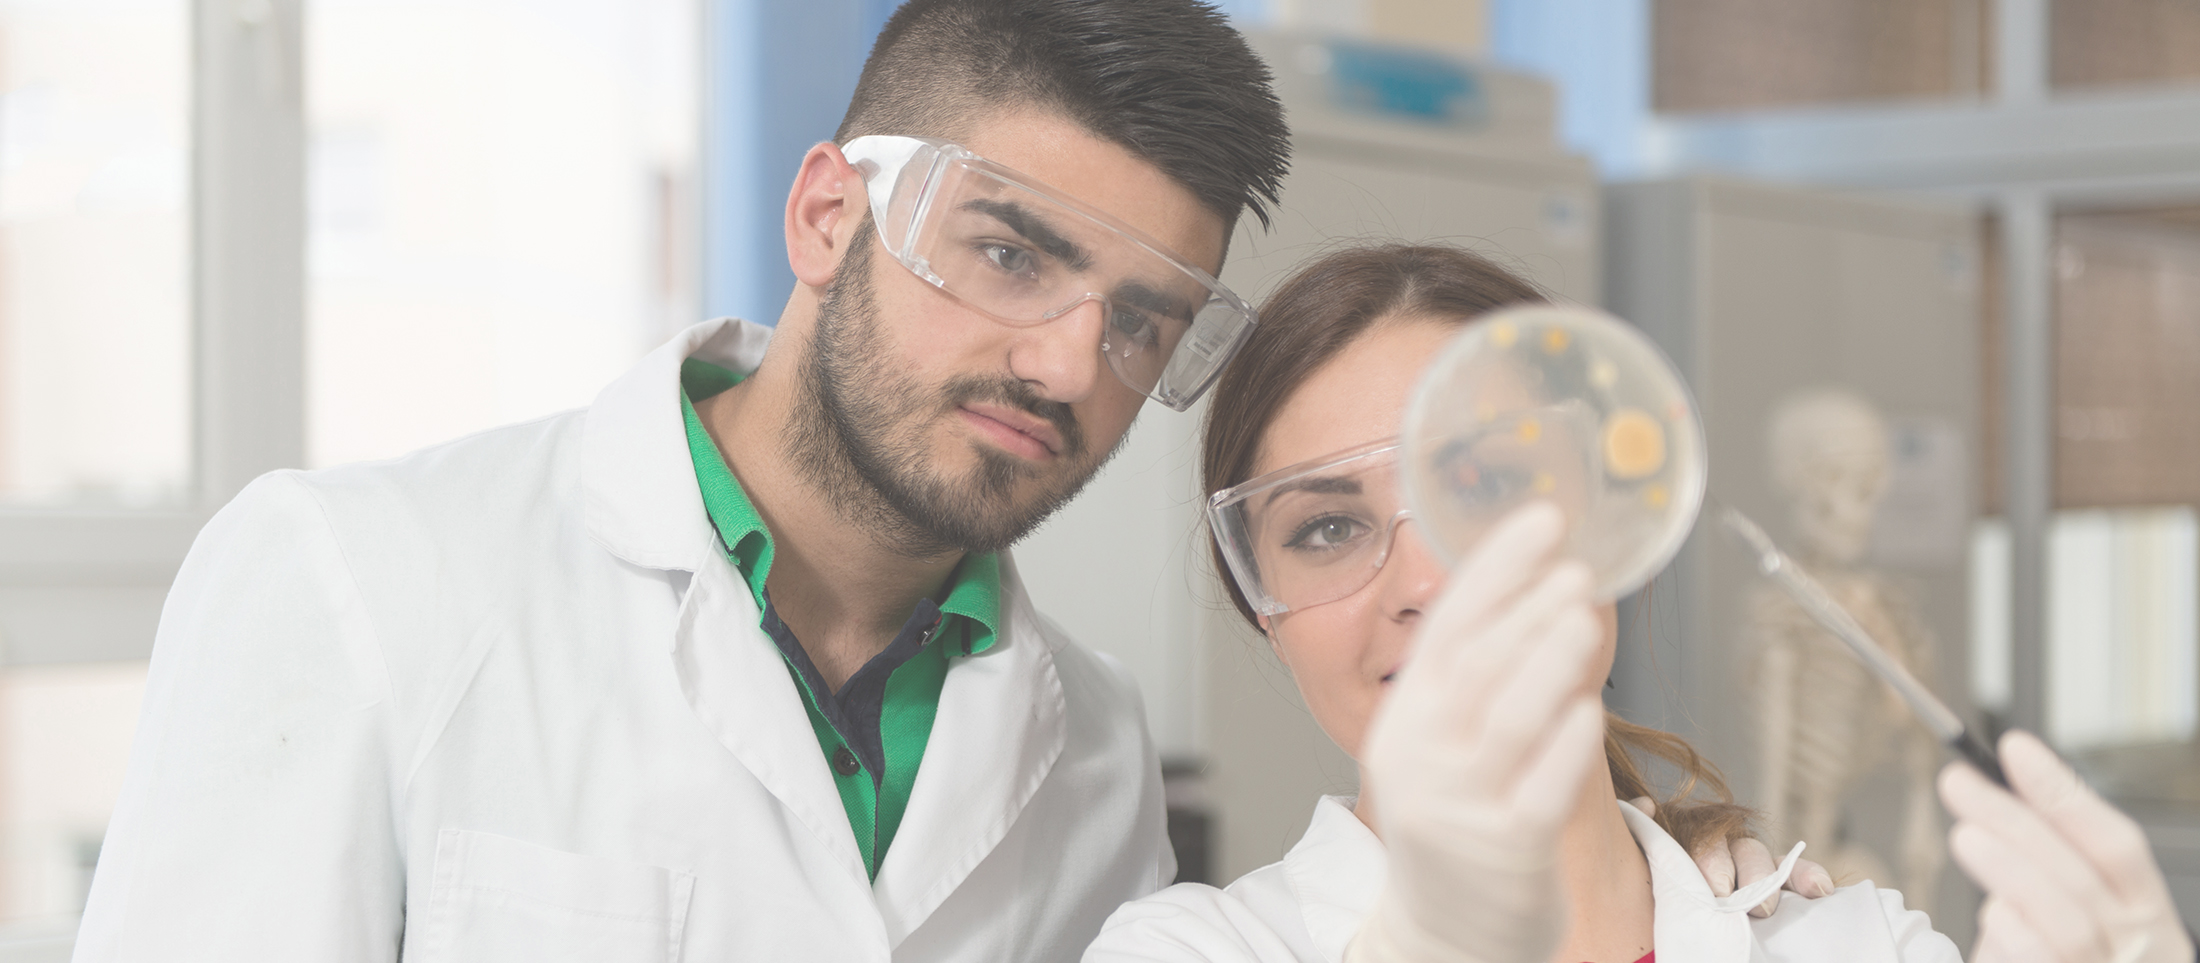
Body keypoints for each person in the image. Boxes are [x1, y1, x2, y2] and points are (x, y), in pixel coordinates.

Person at [75, 2, 1290, 960]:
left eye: (1142, 321)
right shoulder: (356, 579)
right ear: (825, 217)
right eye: (1010, 253)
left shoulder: (1098, 747)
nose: (1070, 364)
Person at [1086, 243, 1958, 963]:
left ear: (1618, 527)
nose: (1425, 584)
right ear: (1266, 612)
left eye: (1487, 487)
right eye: (1327, 529)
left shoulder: (1861, 945)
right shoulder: (1187, 950)